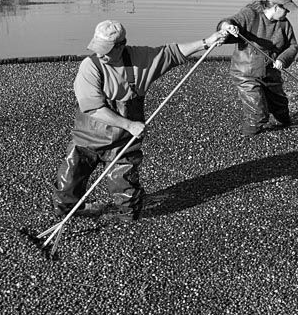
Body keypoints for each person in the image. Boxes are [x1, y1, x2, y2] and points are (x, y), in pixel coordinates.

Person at [53, 20, 227, 220]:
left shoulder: (140, 58)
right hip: (87, 138)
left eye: (106, 50)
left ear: (121, 45)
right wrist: (129, 124)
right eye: (97, 48)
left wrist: (208, 41)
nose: (100, 54)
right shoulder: (90, 66)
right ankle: (67, 213)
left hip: (122, 143)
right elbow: (92, 108)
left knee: (125, 188)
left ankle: (126, 215)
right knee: (69, 180)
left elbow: (172, 53)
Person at [218, 0, 298, 136]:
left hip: (270, 72)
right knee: (258, 113)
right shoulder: (250, 15)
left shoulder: (284, 24)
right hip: (246, 73)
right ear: (276, 7)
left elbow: (293, 46)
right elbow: (228, 22)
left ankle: (286, 127)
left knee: (281, 110)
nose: (288, 12)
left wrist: (282, 59)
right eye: (286, 9)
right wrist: (228, 27)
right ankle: (248, 137)